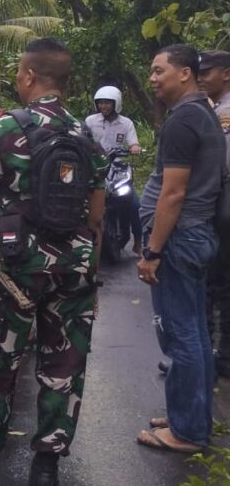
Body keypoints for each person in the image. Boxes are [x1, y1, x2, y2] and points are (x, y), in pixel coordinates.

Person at [0, 38, 106, 486]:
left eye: (18, 72)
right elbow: (96, 217)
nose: (16, 78)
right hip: (72, 270)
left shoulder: (7, 127)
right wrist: (89, 274)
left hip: (17, 268)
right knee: (64, 368)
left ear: (31, 76)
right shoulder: (87, 133)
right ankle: (46, 475)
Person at [136, 45, 223, 454]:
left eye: (159, 71)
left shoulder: (184, 119)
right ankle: (190, 415)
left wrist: (153, 251)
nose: (153, 78)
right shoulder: (201, 113)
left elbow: (173, 193)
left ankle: (187, 432)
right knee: (195, 333)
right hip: (195, 235)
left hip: (180, 238)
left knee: (182, 334)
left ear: (185, 73)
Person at [198, 49, 230, 377]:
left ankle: (210, 357)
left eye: (208, 72)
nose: (202, 78)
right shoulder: (216, 108)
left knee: (214, 284)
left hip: (223, 207)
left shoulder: (225, 112)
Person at [84, 84, 143, 256]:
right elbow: (83, 139)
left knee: (134, 205)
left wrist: (135, 148)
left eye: (107, 103)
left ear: (116, 103)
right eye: (100, 103)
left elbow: (134, 143)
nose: (104, 106)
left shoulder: (126, 123)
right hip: (95, 166)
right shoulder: (90, 121)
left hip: (118, 168)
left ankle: (138, 243)